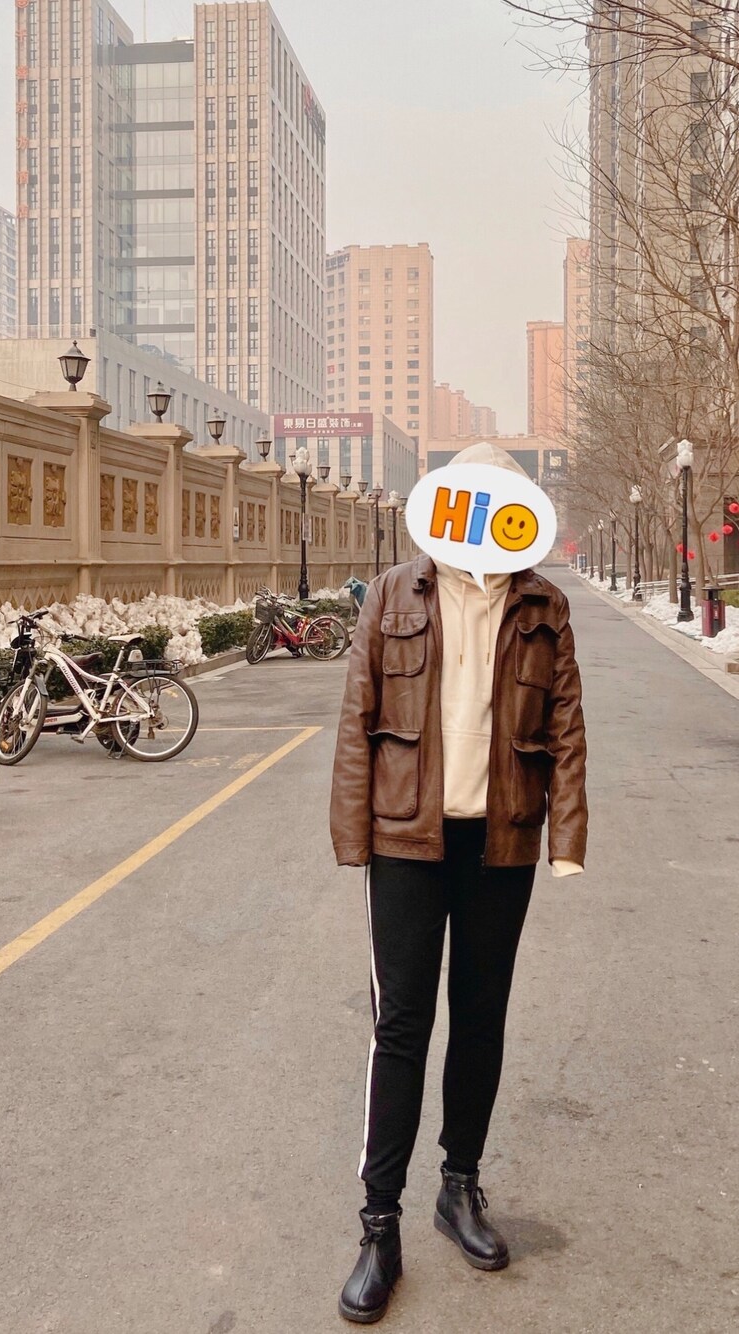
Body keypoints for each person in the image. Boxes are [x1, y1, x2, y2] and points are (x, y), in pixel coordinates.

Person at [329, 442, 587, 1324]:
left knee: (480, 1019)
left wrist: (566, 837)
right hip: (407, 839)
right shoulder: (393, 594)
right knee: (401, 1027)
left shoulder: (543, 604)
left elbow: (567, 727)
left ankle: (459, 1186)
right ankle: (379, 1227)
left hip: (501, 842)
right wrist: (353, 836)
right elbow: (358, 719)